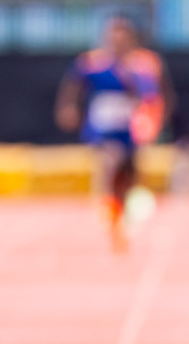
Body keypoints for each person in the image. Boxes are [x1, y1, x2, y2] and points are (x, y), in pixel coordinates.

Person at [56, 13, 170, 250]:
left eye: (123, 36)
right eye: (113, 36)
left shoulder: (143, 64)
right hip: (102, 129)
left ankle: (121, 213)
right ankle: (109, 212)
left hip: (130, 129)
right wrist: (68, 107)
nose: (117, 41)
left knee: (129, 176)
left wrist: (152, 119)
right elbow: (73, 84)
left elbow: (153, 95)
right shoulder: (92, 62)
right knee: (110, 162)